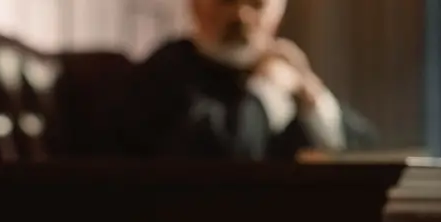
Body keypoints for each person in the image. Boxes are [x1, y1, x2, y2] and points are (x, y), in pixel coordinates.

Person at [121, 0, 375, 160]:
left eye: (256, 3)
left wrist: (313, 99)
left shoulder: (286, 70)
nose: (241, 14)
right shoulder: (167, 69)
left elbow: (368, 153)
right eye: (226, 1)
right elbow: (219, 157)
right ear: (196, 5)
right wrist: (268, 92)